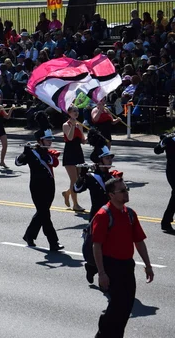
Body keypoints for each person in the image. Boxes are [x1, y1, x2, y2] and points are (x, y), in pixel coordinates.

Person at [92, 177, 153, 338]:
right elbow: (96, 246)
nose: (126, 193)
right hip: (111, 266)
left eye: (126, 189)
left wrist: (148, 265)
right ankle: (103, 333)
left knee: (126, 306)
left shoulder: (130, 214)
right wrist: (102, 273)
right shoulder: (103, 214)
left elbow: (139, 241)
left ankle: (116, 335)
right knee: (118, 305)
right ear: (111, 195)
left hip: (127, 266)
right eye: (123, 191)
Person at [74, 128, 122, 283]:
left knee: (111, 248)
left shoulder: (112, 176)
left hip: (112, 216)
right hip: (97, 216)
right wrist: (81, 175)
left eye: (110, 157)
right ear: (100, 161)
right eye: (107, 158)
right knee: (97, 247)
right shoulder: (91, 177)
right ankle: (92, 267)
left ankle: (109, 275)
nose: (110, 160)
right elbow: (76, 189)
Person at [15, 112, 64, 251]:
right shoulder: (32, 153)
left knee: (42, 212)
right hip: (37, 187)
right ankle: (53, 242)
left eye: (50, 140)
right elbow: (18, 163)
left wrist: (44, 153)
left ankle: (29, 235)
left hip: (50, 186)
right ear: (40, 140)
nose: (50, 142)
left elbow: (54, 163)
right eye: (47, 140)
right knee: (45, 214)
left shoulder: (49, 153)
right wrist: (24, 153)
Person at [61, 106, 86, 212]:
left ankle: (67, 193)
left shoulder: (79, 124)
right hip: (69, 152)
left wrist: (93, 135)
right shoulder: (66, 125)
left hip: (78, 152)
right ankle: (75, 204)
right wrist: (73, 127)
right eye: (74, 111)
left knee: (79, 179)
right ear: (69, 113)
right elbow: (70, 138)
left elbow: (83, 141)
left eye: (77, 111)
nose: (76, 113)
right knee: (74, 180)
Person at [154, 133, 175, 233]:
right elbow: (157, 150)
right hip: (173, 172)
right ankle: (166, 222)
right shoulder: (170, 139)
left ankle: (166, 221)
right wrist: (163, 143)